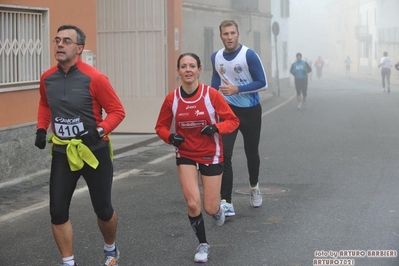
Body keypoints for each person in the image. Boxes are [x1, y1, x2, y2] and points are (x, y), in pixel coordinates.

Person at [34, 25, 125, 266]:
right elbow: (45, 104)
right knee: (57, 211)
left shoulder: (95, 78)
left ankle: (110, 247)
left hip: (94, 152)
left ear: (80, 48)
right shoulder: (47, 78)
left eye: (66, 41)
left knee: (104, 210)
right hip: (63, 153)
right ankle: (68, 262)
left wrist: (99, 131)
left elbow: (117, 111)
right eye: (57, 40)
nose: (60, 45)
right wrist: (41, 129)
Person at [155, 52, 239, 263]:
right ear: (178, 71)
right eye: (184, 66)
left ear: (199, 70)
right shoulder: (172, 98)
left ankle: (218, 209)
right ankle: (203, 244)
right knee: (193, 204)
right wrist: (170, 137)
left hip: (211, 153)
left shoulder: (211, 95)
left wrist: (215, 127)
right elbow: (160, 127)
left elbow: (233, 121)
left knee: (210, 207)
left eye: (192, 66)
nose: (188, 70)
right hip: (186, 154)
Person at [211, 20, 268, 216]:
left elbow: (263, 82)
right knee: (224, 154)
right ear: (221, 36)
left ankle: (254, 187)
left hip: (250, 110)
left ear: (238, 34)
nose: (229, 37)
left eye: (232, 33)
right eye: (225, 34)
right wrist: (210, 102)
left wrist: (238, 89)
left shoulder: (249, 55)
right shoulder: (216, 57)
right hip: (227, 111)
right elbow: (215, 80)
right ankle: (226, 201)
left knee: (251, 152)